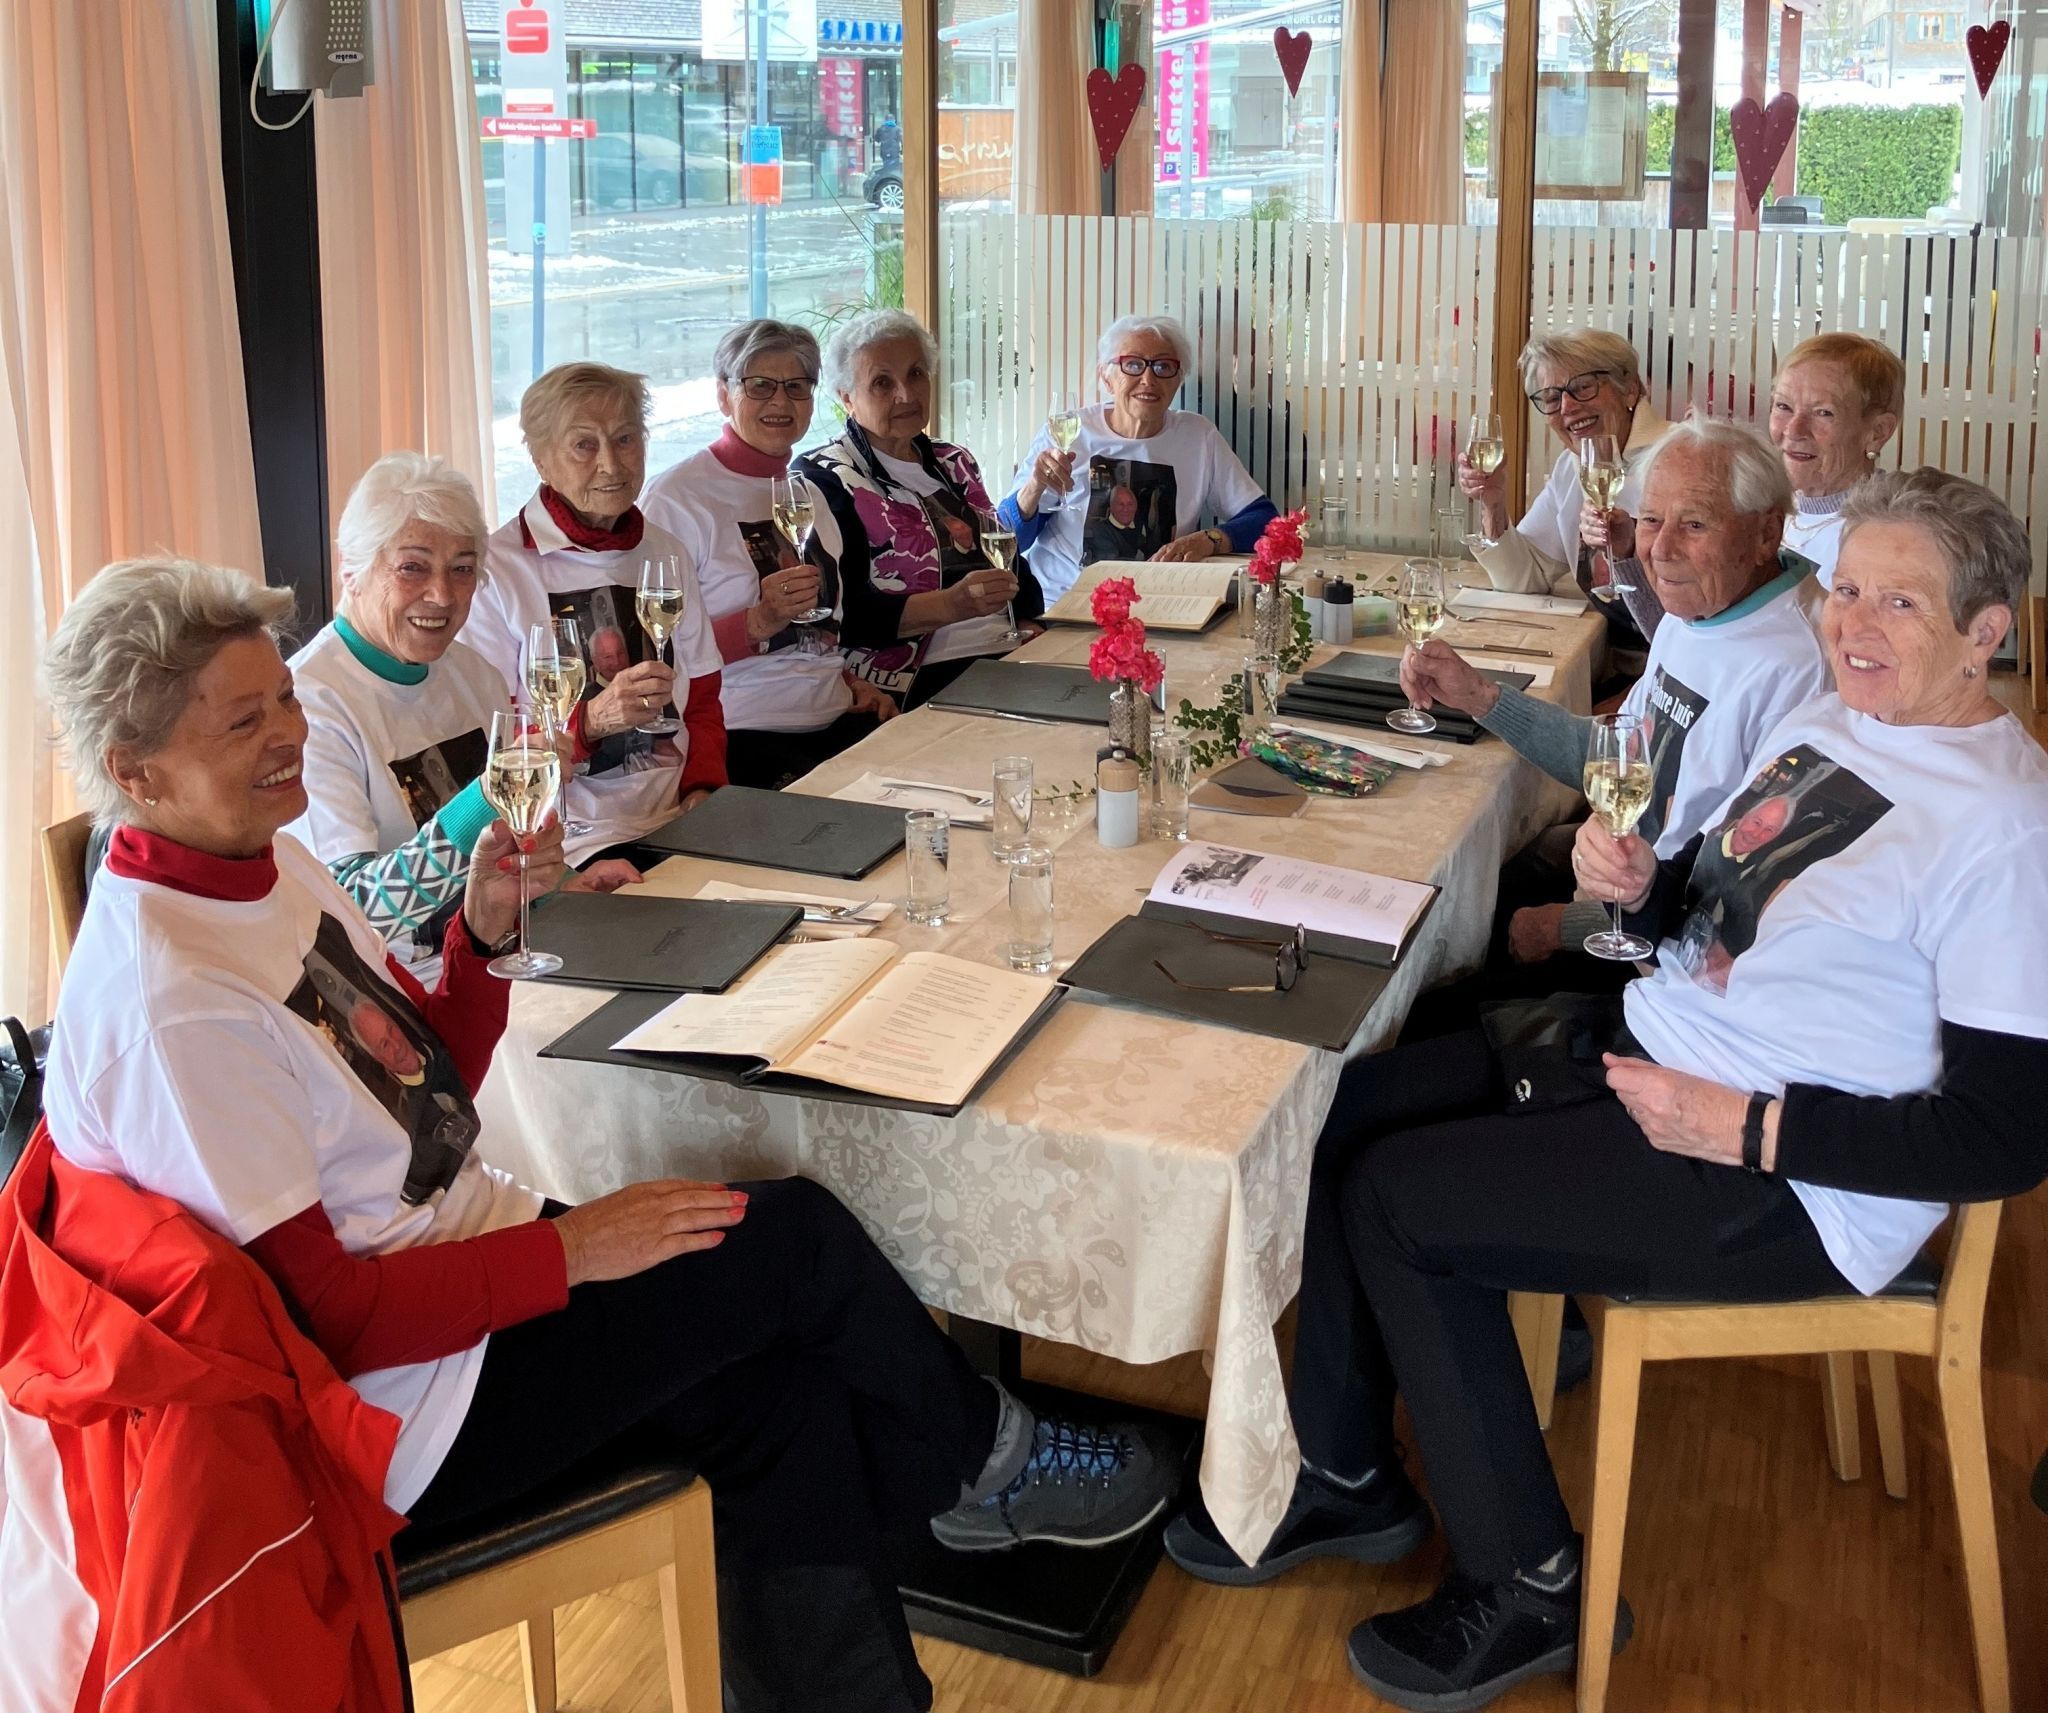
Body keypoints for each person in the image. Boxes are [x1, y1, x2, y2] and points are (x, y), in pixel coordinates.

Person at [38, 557, 1182, 1713]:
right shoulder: (171, 1004)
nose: (288, 731)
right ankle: (988, 1458)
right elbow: (328, 1321)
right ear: (137, 772)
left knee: (782, 1395)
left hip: (462, 1287)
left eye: (282, 697)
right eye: (246, 721)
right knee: (783, 1238)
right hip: (392, 1418)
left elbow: (427, 1105)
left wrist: (481, 947)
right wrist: (575, 1253)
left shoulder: (263, 861)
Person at [1164, 468, 2048, 1711]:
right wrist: (1636, 887)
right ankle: (1345, 1474)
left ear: (1983, 631)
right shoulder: (1843, 724)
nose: (1848, 622)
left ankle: (1529, 1581)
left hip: (1787, 1177)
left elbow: (2005, 1137)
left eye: (1895, 603)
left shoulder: (2004, 828)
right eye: (1842, 588)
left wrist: (1742, 1127)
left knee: (1396, 1204)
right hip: (1656, 1050)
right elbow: (1709, 906)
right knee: (1341, 1114)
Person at [1406, 419, 1829, 984]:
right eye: (1652, 520)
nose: (1662, 549)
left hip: (1660, 958)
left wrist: (1562, 926)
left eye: (1695, 524)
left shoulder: (1799, 663)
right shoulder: (1700, 607)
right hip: (1621, 889)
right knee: (1459, 884)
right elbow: (1617, 760)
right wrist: (1479, 696)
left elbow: (1736, 897)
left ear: (1765, 534)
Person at [286, 452, 640, 971]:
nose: (442, 594)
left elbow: (509, 846)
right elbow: (354, 908)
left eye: (462, 569)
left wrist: (560, 886)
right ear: (352, 572)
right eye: (412, 567)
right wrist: (488, 795)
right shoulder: (308, 704)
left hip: (502, 953)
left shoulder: (475, 673)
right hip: (405, 984)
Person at [465, 362, 726, 863]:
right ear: (541, 459)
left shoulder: (666, 551)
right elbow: (489, 742)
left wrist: (704, 792)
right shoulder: (498, 571)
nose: (611, 464)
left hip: (680, 821)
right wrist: (589, 723)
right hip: (566, 846)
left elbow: (704, 696)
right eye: (585, 445)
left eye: (626, 439)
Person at [643, 320, 898, 789]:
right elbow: (658, 653)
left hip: (837, 719)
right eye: (759, 386)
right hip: (743, 734)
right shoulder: (676, 499)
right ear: (724, 395)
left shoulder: (808, 495)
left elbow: (823, 631)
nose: (780, 401)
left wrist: (850, 681)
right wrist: (758, 621)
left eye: (797, 386)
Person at [800, 309, 1046, 708]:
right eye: (882, 383)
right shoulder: (826, 477)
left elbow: (1013, 564)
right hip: (913, 677)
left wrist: (1030, 622)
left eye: (915, 374)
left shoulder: (954, 462)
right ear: (847, 398)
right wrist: (952, 605)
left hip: (1006, 651)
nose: (906, 395)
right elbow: (846, 615)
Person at [999, 313, 1279, 600]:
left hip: (1160, 606)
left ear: (1178, 380)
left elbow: (1264, 520)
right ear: (1106, 378)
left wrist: (1210, 540)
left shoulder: (1198, 437)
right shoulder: (1067, 433)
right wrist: (1033, 488)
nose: (1148, 379)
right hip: (1064, 607)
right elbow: (1007, 539)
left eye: (1163, 367)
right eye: (1132, 364)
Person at [1458, 329, 1673, 648]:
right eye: (1552, 397)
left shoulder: (1681, 459)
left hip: (1673, 667)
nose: (1567, 407)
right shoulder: (1572, 467)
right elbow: (1524, 578)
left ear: (1629, 388)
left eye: (1583, 387)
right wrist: (1493, 503)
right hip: (1612, 658)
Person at [1767, 333, 1904, 588]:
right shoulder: (1757, 507)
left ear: (1877, 432)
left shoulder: (1890, 536)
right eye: (1783, 406)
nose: (1794, 430)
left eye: (1823, 413)